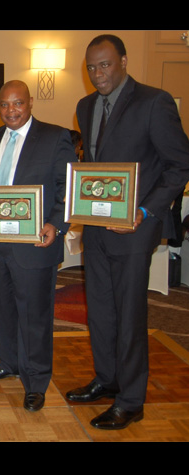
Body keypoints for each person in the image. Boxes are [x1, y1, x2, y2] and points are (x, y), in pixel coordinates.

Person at [66, 34, 189, 429]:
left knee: (130, 315)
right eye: (91, 67)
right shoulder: (85, 107)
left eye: (104, 65)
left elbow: (179, 166)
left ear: (122, 61)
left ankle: (132, 399)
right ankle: (107, 379)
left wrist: (143, 210)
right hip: (97, 227)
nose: (98, 74)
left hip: (135, 228)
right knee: (100, 310)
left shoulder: (155, 102)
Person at [0, 80, 76, 411]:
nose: (10, 111)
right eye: (4, 105)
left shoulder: (54, 136)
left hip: (35, 243)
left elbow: (66, 187)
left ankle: (35, 381)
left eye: (17, 103)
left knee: (34, 314)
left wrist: (57, 224)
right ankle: (9, 362)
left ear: (30, 103)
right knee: (2, 307)